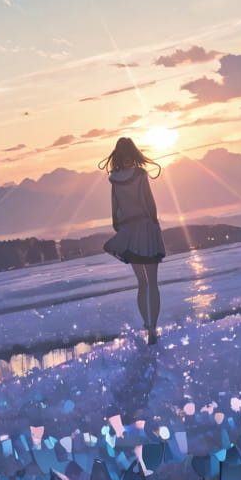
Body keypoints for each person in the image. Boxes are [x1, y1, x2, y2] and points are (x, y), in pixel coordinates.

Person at [99, 137, 167, 344]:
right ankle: (153, 327)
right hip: (146, 228)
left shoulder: (114, 178)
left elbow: (115, 209)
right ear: (134, 153)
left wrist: (121, 229)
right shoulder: (140, 174)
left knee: (142, 283)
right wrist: (154, 224)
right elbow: (149, 202)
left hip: (128, 231)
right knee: (153, 284)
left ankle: (147, 324)